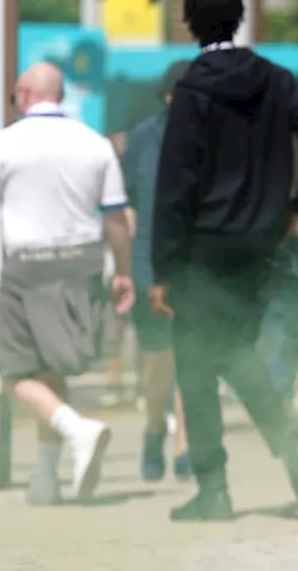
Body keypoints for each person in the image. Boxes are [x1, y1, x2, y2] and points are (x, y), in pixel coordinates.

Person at [150, 0, 298, 521]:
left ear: (190, 23)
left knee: (200, 365)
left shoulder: (191, 91)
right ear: (240, 18)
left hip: (202, 250)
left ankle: (215, 491)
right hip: (260, 247)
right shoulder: (276, 80)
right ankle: (291, 446)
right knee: (237, 351)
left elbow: (175, 185)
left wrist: (162, 268)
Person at [0, 62, 135, 506]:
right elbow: (115, 217)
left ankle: (78, 429)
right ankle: (47, 478)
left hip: (27, 270)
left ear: (23, 93)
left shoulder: (3, 145)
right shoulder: (96, 145)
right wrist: (124, 272)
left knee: (13, 373)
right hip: (82, 265)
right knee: (50, 372)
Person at [121, 60, 193, 481]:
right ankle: (153, 431)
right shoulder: (143, 139)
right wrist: (128, 267)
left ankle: (185, 444)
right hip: (150, 268)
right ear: (169, 97)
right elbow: (126, 204)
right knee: (158, 366)